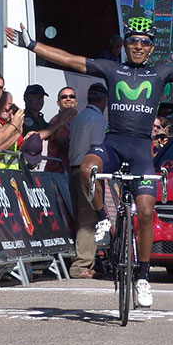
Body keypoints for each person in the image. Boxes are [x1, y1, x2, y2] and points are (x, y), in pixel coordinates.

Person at [6, 16, 173, 309]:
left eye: (144, 42)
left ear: (151, 47)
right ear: (125, 44)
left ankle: (142, 276)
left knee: (144, 211)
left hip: (141, 151)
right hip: (113, 144)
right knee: (86, 169)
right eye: (133, 41)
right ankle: (103, 219)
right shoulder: (111, 68)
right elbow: (68, 58)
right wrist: (30, 44)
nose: (138, 46)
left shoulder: (160, 72)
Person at [66, 82, 107, 278]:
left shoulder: (79, 117)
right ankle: (81, 265)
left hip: (73, 169)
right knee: (88, 220)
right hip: (87, 171)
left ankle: (85, 261)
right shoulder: (98, 119)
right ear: (104, 101)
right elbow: (96, 148)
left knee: (82, 218)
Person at [45, 86, 78, 173]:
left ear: (76, 102)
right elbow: (62, 144)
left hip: (74, 172)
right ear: (58, 103)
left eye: (72, 96)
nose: (68, 99)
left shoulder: (82, 121)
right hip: (56, 173)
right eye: (64, 97)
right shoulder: (55, 122)